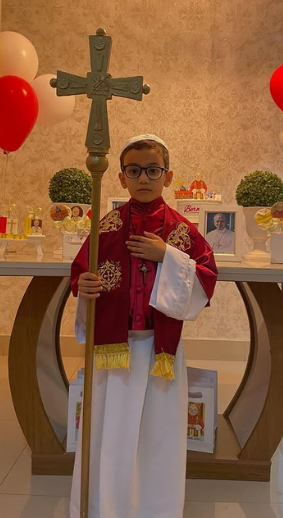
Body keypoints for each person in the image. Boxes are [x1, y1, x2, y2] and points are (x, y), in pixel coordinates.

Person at [69, 134, 218, 518]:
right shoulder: (105, 228)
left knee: (158, 436)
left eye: (153, 170)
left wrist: (166, 254)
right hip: (115, 350)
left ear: (168, 176)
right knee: (111, 432)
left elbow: (206, 277)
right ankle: (106, 504)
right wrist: (82, 286)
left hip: (158, 350)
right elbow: (82, 272)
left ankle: (155, 508)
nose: (144, 178)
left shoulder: (183, 231)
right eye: (134, 171)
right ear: (121, 178)